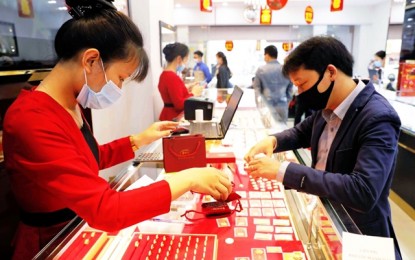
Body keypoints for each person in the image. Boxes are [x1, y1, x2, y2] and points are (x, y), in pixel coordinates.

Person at [2, 1, 232, 258]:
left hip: (77, 228)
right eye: (121, 78)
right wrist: (186, 178)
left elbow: (87, 159)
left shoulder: (70, 102)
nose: (119, 89)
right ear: (91, 60)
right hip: (52, 244)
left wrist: (138, 139)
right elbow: (105, 210)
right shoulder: (31, 118)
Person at [244, 36, 402, 259]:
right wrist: (272, 140)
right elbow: (300, 132)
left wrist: (282, 171)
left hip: (358, 235)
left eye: (302, 84)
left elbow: (364, 191)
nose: (300, 94)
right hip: (325, 218)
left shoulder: (378, 117)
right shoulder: (328, 106)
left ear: (330, 72)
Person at [159, 42, 204, 121]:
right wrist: (194, 94)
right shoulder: (172, 77)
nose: (186, 63)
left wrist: (186, 88)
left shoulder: (164, 74)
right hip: (173, 118)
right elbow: (179, 104)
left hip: (168, 115)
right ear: (179, 59)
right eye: (186, 59)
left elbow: (173, 94)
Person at [253, 45, 293, 123]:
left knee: (268, 132)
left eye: (264, 55)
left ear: (267, 55)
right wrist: (287, 101)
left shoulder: (261, 70)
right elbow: (290, 88)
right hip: (282, 106)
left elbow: (257, 90)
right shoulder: (285, 69)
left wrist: (259, 106)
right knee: (282, 131)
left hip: (267, 106)